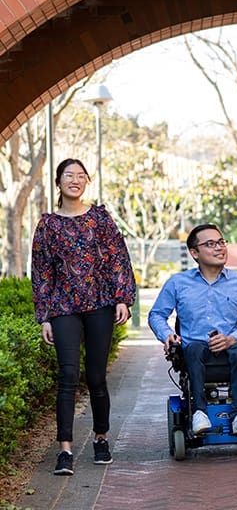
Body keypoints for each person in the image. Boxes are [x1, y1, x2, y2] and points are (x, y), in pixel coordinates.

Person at [31, 158, 136, 476]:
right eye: (68, 175)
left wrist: (123, 298)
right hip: (63, 307)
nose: (74, 180)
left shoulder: (100, 218)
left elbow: (118, 256)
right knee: (67, 376)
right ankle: (64, 450)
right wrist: (45, 315)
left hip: (101, 304)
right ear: (58, 182)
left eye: (80, 176)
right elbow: (41, 272)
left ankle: (101, 439)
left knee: (96, 377)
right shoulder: (48, 224)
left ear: (87, 181)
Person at [148, 223, 237, 435]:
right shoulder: (178, 283)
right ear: (194, 253)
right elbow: (156, 315)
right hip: (195, 351)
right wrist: (167, 335)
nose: (219, 248)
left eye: (221, 242)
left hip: (233, 348)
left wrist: (231, 339)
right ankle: (199, 412)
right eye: (210, 244)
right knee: (194, 349)